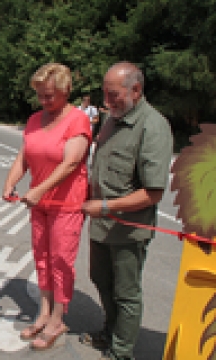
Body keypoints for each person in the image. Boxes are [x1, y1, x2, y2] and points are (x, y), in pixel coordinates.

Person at [80, 62, 173, 360]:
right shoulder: (112, 120)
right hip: (102, 226)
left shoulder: (152, 126)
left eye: (113, 95)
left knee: (126, 293)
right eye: (105, 94)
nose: (107, 101)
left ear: (136, 89)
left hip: (129, 230)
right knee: (100, 279)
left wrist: (106, 206)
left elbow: (153, 192)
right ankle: (110, 330)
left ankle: (121, 352)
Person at [2, 63, 91, 350]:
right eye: (40, 95)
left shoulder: (78, 120)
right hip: (39, 204)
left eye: (50, 95)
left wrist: (39, 189)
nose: (44, 101)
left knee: (60, 260)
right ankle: (43, 312)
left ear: (66, 90)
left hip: (66, 204)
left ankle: (57, 317)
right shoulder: (33, 120)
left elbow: (71, 162)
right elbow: (23, 157)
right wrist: (10, 183)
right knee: (41, 257)